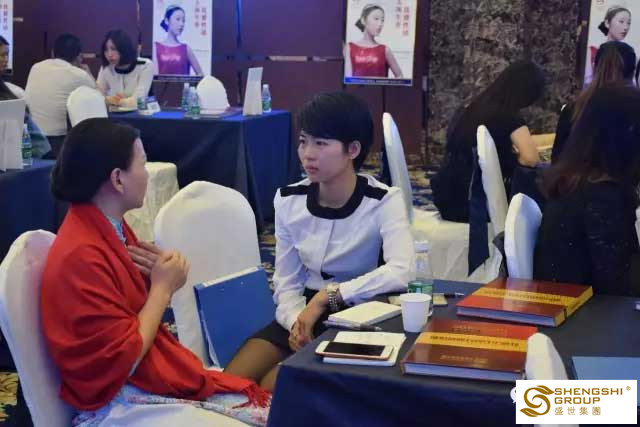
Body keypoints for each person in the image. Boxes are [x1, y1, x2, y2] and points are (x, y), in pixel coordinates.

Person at [41, 119, 270, 426]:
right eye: (142, 163)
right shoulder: (82, 254)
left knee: (268, 407)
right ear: (118, 179)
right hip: (115, 399)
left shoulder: (105, 228)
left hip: (130, 381)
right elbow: (122, 359)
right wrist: (162, 289)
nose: (147, 174)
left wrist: (159, 278)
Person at [225, 92, 415, 391]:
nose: (308, 154)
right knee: (229, 383)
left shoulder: (383, 201)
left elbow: (403, 270)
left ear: (352, 149)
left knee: (275, 388)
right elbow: (286, 281)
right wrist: (296, 322)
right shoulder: (288, 200)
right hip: (301, 310)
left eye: (321, 143)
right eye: (303, 141)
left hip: (359, 313)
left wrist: (329, 296)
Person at [534, 85, 640, 296]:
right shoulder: (602, 196)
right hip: (589, 311)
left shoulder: (573, 181)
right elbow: (617, 285)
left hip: (574, 303)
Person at [431, 60, 544, 222]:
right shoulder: (508, 115)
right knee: (542, 182)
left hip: (450, 195)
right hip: (473, 203)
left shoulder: (474, 106)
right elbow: (531, 159)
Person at [552, 41, 636, 162]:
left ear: (595, 67)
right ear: (632, 73)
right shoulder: (633, 115)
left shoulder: (572, 110)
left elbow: (556, 160)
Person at [24, 33, 95, 157]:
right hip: (58, 144)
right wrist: (89, 74)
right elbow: (99, 99)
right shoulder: (79, 75)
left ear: (53, 53)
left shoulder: (36, 67)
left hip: (31, 139)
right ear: (79, 57)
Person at [97, 30, 154, 108]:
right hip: (115, 114)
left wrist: (113, 101)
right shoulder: (106, 67)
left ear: (124, 48)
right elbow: (98, 97)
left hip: (142, 113)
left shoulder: (145, 65)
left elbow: (138, 101)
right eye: (106, 50)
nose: (109, 54)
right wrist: (108, 100)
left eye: (113, 49)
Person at [344, 4, 403, 78]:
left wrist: (389, 84)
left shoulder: (385, 50)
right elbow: (348, 79)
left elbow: (400, 76)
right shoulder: (349, 48)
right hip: (355, 86)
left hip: (380, 86)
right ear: (363, 20)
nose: (380, 24)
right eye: (376, 19)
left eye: (382, 20)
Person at [585, 6, 632, 85]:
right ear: (607, 23)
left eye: (628, 23)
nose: (626, 27)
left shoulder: (630, 55)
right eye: (621, 21)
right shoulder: (591, 52)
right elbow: (587, 82)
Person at [154, 5, 203, 75]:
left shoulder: (186, 48)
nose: (181, 24)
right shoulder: (156, 47)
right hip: (160, 82)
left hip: (182, 82)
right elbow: (154, 76)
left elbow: (200, 74)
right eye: (178, 19)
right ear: (167, 20)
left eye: (183, 21)